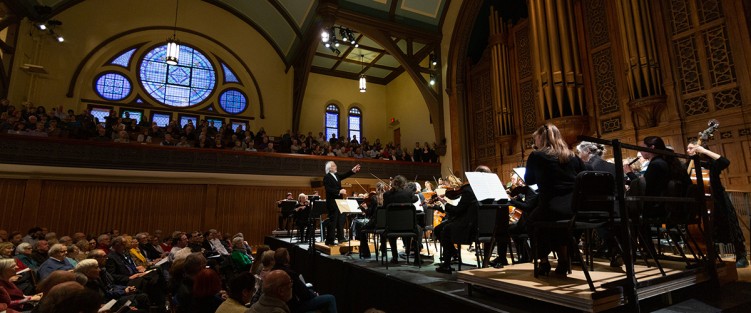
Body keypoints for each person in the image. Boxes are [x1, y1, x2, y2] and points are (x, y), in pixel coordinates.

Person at [525, 124, 586, 277]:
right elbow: (584, 177)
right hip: (573, 208)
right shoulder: (573, 156)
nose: (536, 142)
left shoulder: (537, 155)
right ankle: (564, 261)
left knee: (531, 221)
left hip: (550, 205)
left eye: (536, 139)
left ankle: (544, 261)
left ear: (541, 138)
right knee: (558, 225)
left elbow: (529, 180)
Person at [687, 142, 748, 268]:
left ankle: (741, 256)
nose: (688, 150)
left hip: (718, 199)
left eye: (691, 148)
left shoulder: (711, 164)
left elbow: (725, 162)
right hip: (702, 202)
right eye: (687, 148)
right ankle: (711, 256)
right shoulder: (690, 165)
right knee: (708, 229)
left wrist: (704, 151)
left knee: (730, 226)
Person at [433, 166, 489, 274]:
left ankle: (447, 264)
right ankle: (454, 253)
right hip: (486, 227)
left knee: (444, 229)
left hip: (469, 227)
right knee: (440, 228)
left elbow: (458, 210)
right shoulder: (490, 189)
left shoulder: (469, 190)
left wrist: (445, 203)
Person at [323, 161, 361, 245]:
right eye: (334, 165)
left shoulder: (336, 175)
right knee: (333, 221)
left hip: (339, 201)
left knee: (341, 220)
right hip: (332, 202)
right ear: (329, 168)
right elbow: (328, 189)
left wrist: (353, 170)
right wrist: (339, 191)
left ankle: (341, 238)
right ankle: (330, 240)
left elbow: (344, 175)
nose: (336, 166)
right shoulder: (327, 177)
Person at [381, 176, 418, 264]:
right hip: (409, 227)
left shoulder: (386, 195)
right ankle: (416, 257)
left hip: (392, 227)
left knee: (391, 233)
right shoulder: (408, 192)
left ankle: (395, 257)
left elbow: (384, 208)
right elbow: (415, 199)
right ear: (404, 184)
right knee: (418, 229)